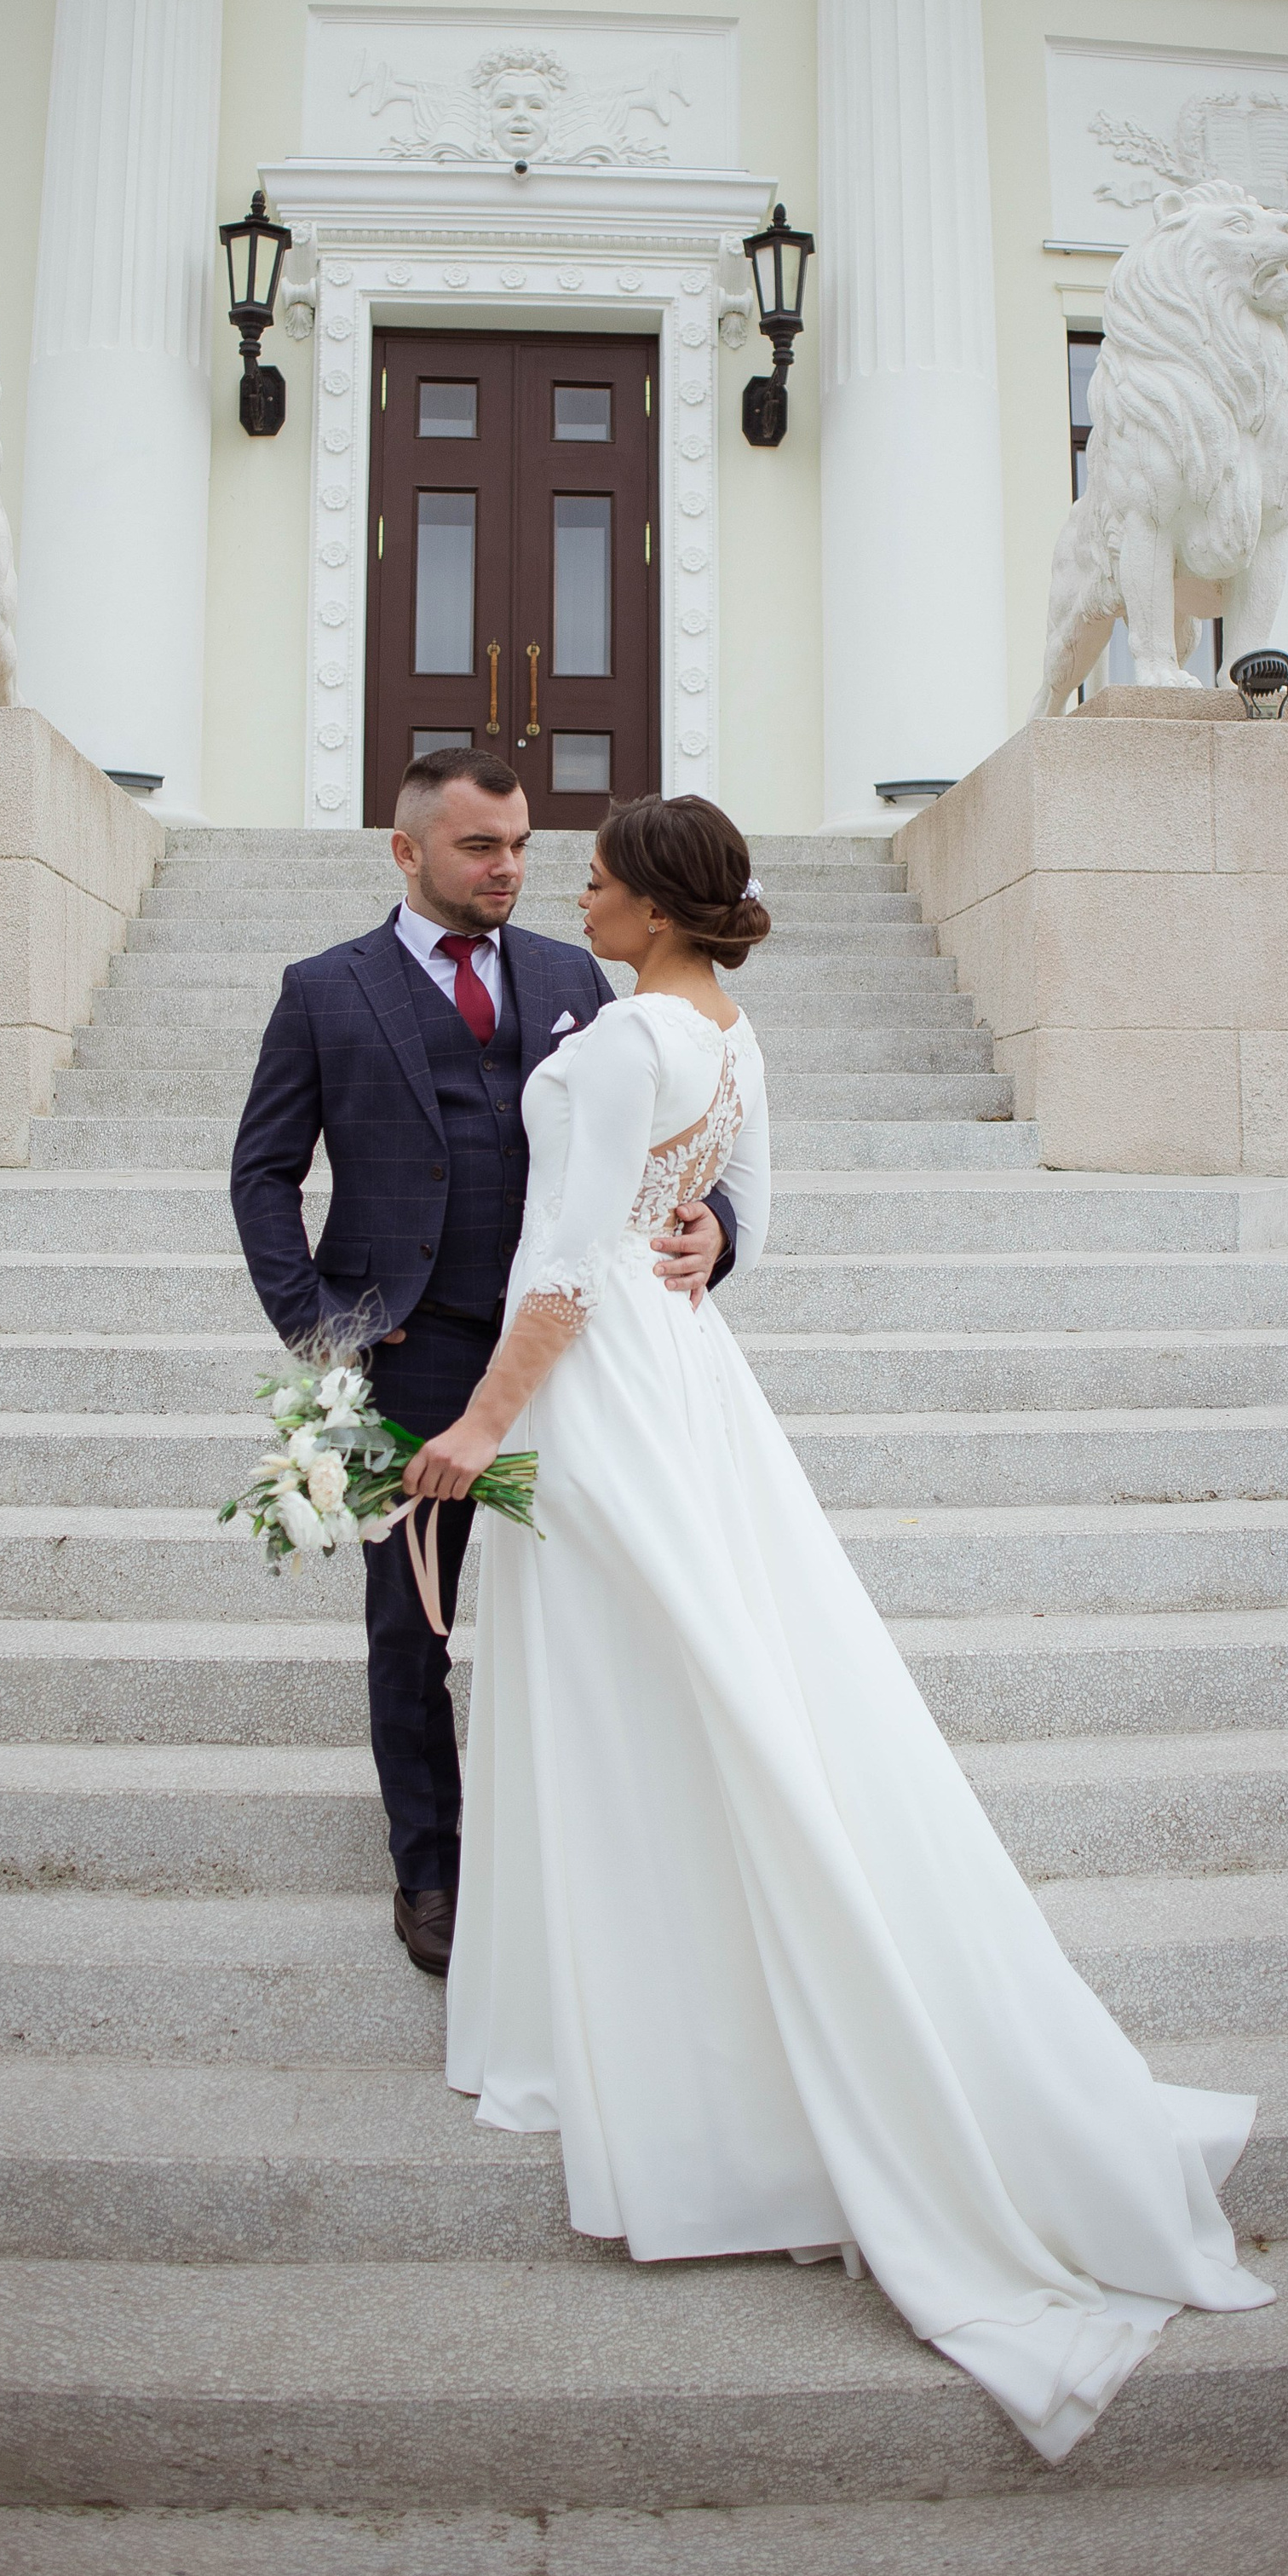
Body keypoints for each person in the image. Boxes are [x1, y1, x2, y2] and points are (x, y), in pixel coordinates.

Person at [403, 790, 1274, 2462]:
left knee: (634, 1700)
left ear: (658, 906)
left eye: (600, 876)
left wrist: (480, 1425)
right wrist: (706, 1227)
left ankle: (672, 2036)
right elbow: (747, 1218)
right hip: (683, 1379)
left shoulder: (616, 1045)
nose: (577, 893)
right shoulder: (733, 1040)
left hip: (598, 1393)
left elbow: (566, 1267)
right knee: (670, 1691)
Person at [229, 750, 737, 1979]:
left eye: (519, 846)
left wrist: (718, 1227)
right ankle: (434, 1868)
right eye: (480, 847)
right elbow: (263, 1172)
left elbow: (666, 1127)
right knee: (414, 1625)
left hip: (576, 1356)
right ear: (407, 851)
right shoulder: (324, 989)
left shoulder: (578, 975)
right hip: (411, 1351)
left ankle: (598, 1851)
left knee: (600, 1609)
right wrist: (324, 1332)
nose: (510, 868)